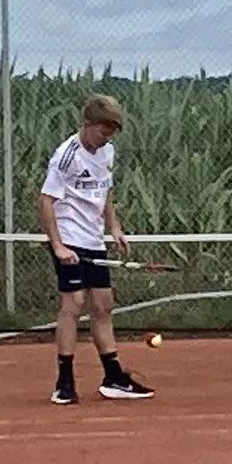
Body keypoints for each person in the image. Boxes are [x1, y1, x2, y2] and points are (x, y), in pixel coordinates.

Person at [40, 94, 153, 404]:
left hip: (92, 240)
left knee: (103, 305)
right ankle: (64, 382)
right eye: (103, 132)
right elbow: (46, 201)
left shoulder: (106, 153)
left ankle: (114, 378)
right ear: (87, 124)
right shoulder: (67, 156)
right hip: (68, 239)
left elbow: (105, 192)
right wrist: (59, 246)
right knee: (73, 304)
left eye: (111, 134)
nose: (106, 139)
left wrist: (113, 227)